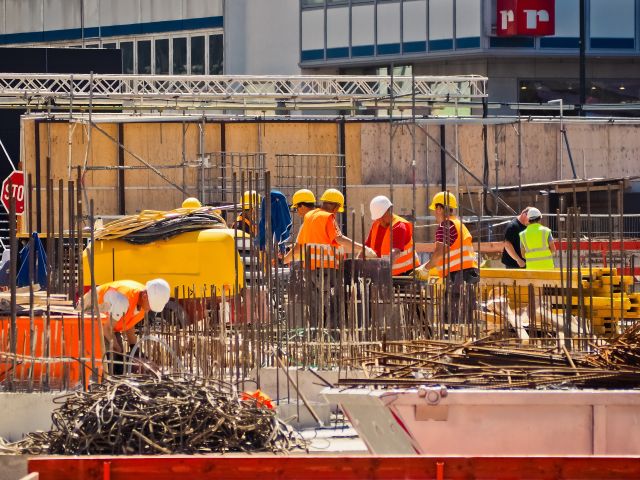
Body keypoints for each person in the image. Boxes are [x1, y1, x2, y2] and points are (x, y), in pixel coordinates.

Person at [283, 188, 375, 330]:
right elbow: (339, 238)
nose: (337, 212)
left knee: (315, 307)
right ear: (336, 206)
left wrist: (285, 259)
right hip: (328, 270)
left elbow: (299, 246)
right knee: (333, 306)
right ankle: (331, 337)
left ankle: (315, 337)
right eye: (338, 209)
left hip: (311, 270)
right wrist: (363, 248)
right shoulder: (328, 217)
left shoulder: (308, 217)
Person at [416, 191, 479, 324]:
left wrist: (425, 268)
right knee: (466, 316)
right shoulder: (458, 224)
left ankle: (456, 342)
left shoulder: (446, 225)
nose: (434, 213)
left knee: (452, 317)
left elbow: (440, 252)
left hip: (457, 275)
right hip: (468, 273)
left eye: (435, 209)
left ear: (439, 208)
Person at [84, 279, 171, 371]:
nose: (150, 309)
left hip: (107, 323)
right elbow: (107, 329)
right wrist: (119, 350)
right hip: (89, 317)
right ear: (145, 296)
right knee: (111, 359)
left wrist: (134, 348)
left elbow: (128, 324)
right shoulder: (123, 299)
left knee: (119, 360)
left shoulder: (142, 301)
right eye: (151, 305)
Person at [366, 195, 419, 276]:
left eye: (382, 216)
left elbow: (395, 252)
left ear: (389, 210)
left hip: (406, 274)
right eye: (378, 218)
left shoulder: (399, 226)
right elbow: (366, 247)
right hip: (386, 273)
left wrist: (384, 269)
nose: (380, 220)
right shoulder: (376, 225)